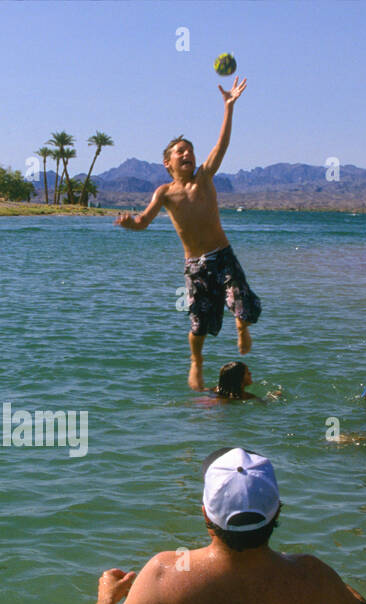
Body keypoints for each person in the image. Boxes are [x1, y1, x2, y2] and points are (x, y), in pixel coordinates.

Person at [92, 448, 366, 604]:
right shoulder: (315, 580)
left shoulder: (161, 575)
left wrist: (105, 599)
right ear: (277, 509)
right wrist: (334, 585)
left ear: (205, 513)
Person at [115, 78, 262, 391]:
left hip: (223, 256)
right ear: (168, 163)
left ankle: (242, 329)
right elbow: (144, 221)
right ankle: (197, 362)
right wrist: (131, 223)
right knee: (199, 321)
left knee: (242, 304)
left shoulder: (205, 178)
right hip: (195, 265)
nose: (188, 155)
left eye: (191, 151)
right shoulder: (165, 193)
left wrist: (229, 108)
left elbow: (221, 145)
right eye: (181, 152)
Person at [212, 360, 280, 402]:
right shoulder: (246, 396)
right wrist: (273, 396)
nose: (250, 373)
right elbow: (264, 403)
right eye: (247, 373)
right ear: (239, 378)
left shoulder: (215, 389)